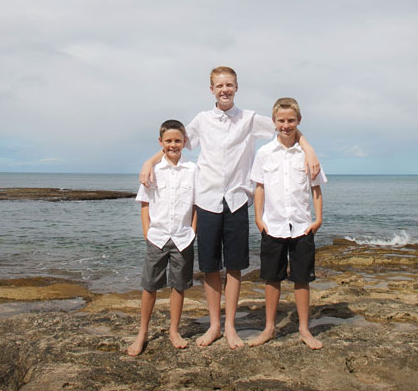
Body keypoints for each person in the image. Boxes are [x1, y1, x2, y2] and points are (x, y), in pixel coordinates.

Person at [139, 66, 320, 348]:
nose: (225, 90)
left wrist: (307, 148)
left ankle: (231, 326)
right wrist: (149, 162)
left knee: (234, 267)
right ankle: (214, 326)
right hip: (207, 199)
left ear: (236, 87)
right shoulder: (201, 120)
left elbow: (286, 126)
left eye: (229, 85)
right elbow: (175, 142)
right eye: (219, 85)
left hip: (237, 200)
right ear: (211, 89)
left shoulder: (249, 119)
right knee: (210, 267)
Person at [248, 97, 327, 350]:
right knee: (272, 278)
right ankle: (269, 328)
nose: (286, 125)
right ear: (273, 123)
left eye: (291, 120)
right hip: (273, 225)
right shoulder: (264, 153)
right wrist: (258, 219)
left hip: (302, 225)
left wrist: (318, 219)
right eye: (281, 121)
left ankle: (304, 329)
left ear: (298, 121)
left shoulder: (308, 154)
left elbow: (316, 189)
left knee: (302, 279)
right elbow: (259, 187)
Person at [128, 119, 197, 357]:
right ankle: (142, 332)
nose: (173, 144)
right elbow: (145, 203)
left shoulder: (193, 170)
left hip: (183, 237)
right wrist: (147, 231)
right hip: (157, 237)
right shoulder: (153, 170)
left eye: (178, 140)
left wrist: (193, 231)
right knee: (150, 286)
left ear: (185, 142)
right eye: (168, 141)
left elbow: (196, 205)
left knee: (179, 286)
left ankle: (174, 331)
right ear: (161, 143)